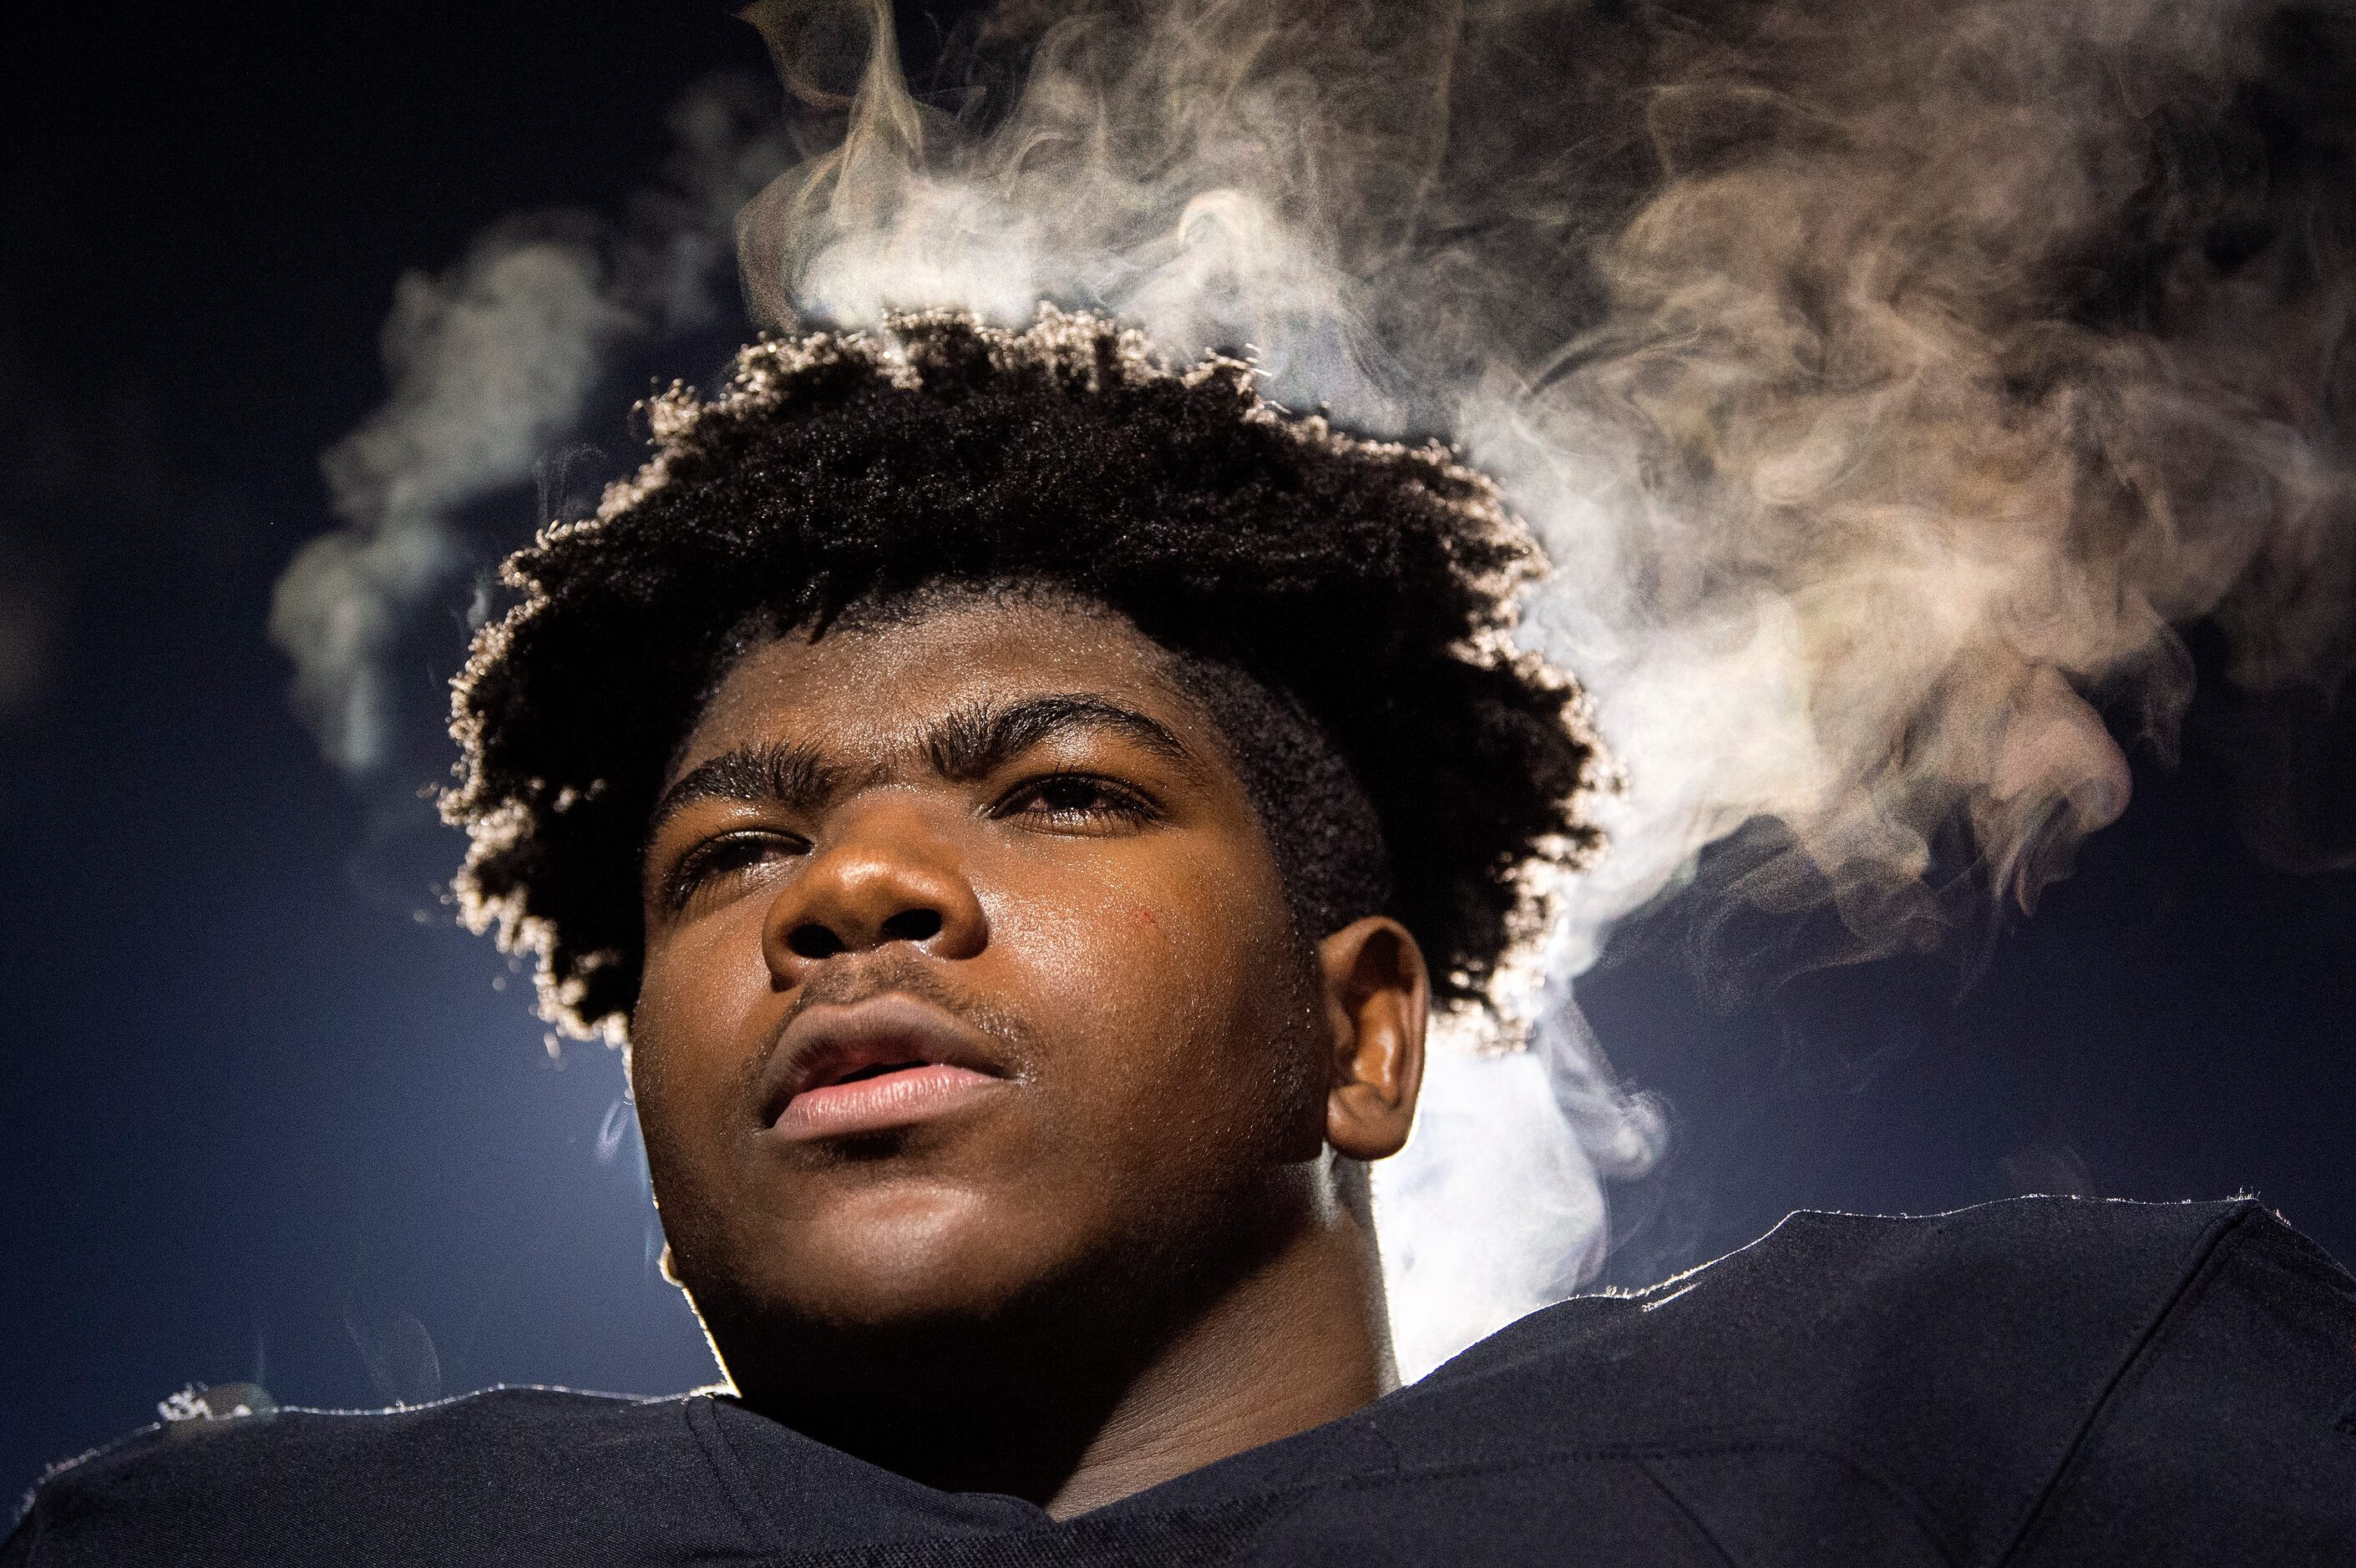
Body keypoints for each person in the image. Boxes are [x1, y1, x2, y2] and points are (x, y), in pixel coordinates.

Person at [10, 311, 2351, 1565]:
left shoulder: (1986, 1413)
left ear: (1365, 1033)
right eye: (728, 858)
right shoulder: (247, 1543)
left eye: (1057, 793)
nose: (847, 892)